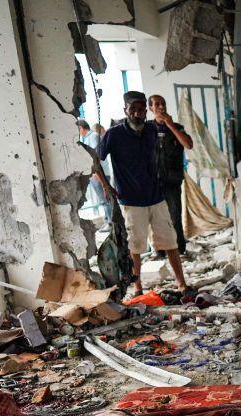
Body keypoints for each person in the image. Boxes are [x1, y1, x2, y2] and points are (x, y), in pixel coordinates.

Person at [94, 90, 191, 297]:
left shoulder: (151, 130)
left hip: (156, 197)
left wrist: (166, 119)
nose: (137, 114)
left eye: (141, 110)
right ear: (125, 111)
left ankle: (181, 284)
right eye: (133, 110)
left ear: (145, 111)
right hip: (131, 200)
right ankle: (138, 289)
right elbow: (94, 161)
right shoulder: (114, 134)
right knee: (135, 247)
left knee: (171, 242)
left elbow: (185, 143)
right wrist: (105, 185)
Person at [148, 95, 193, 255]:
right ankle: (160, 251)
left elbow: (188, 144)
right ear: (151, 109)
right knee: (156, 218)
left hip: (172, 181)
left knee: (174, 216)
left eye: (163, 103)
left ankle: (179, 250)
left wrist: (170, 125)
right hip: (153, 182)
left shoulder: (177, 127)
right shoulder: (147, 129)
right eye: (157, 104)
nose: (161, 107)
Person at [77, 120, 106, 218]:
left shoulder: (93, 136)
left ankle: (111, 223)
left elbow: (95, 157)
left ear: (81, 128)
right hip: (95, 174)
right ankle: (108, 220)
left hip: (98, 173)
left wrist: (96, 174)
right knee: (102, 200)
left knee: (105, 199)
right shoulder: (87, 139)